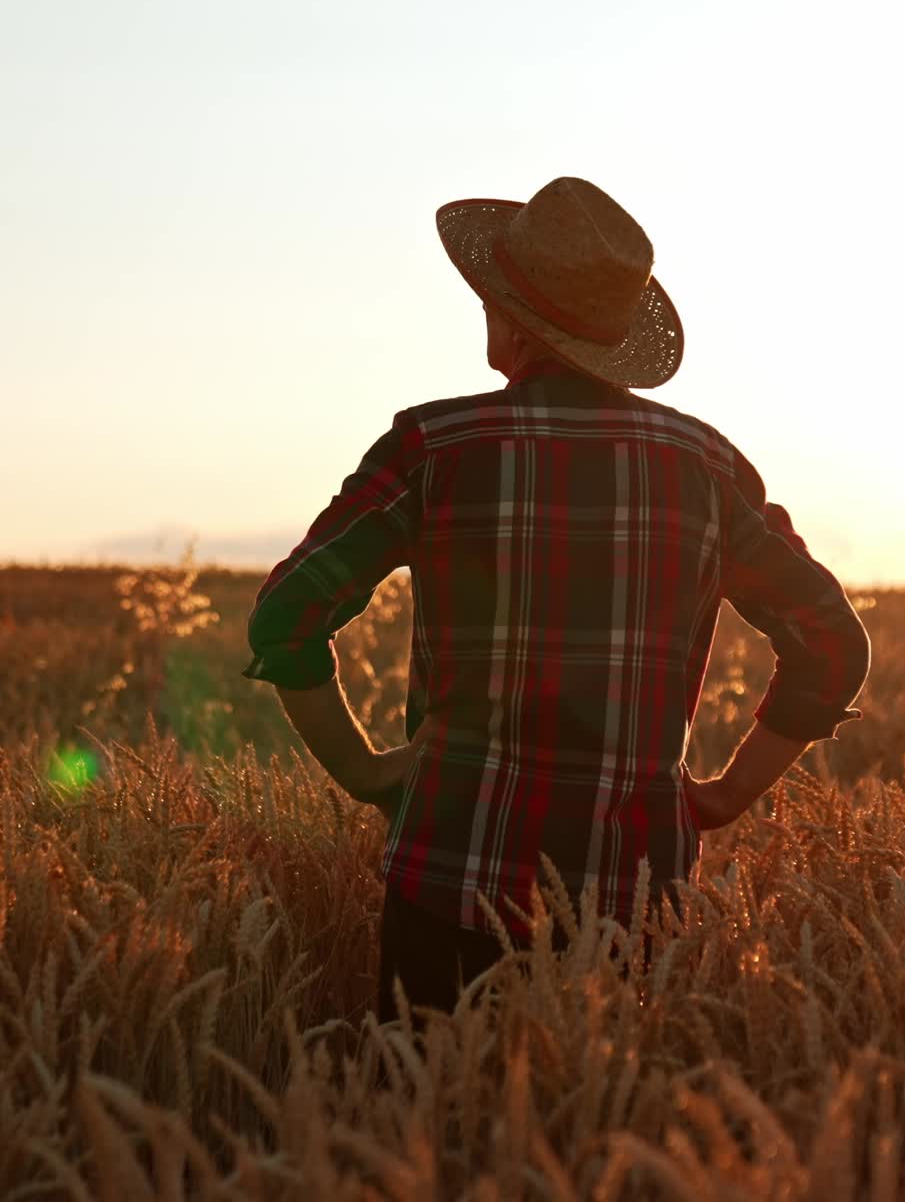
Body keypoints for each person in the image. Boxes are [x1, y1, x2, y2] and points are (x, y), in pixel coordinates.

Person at [242, 176, 870, 1022]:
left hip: (447, 879)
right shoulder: (707, 466)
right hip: (633, 895)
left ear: (510, 323)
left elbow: (288, 616)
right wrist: (725, 794)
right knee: (594, 1144)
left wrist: (363, 771)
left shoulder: (434, 447)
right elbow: (832, 642)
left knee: (425, 1136)